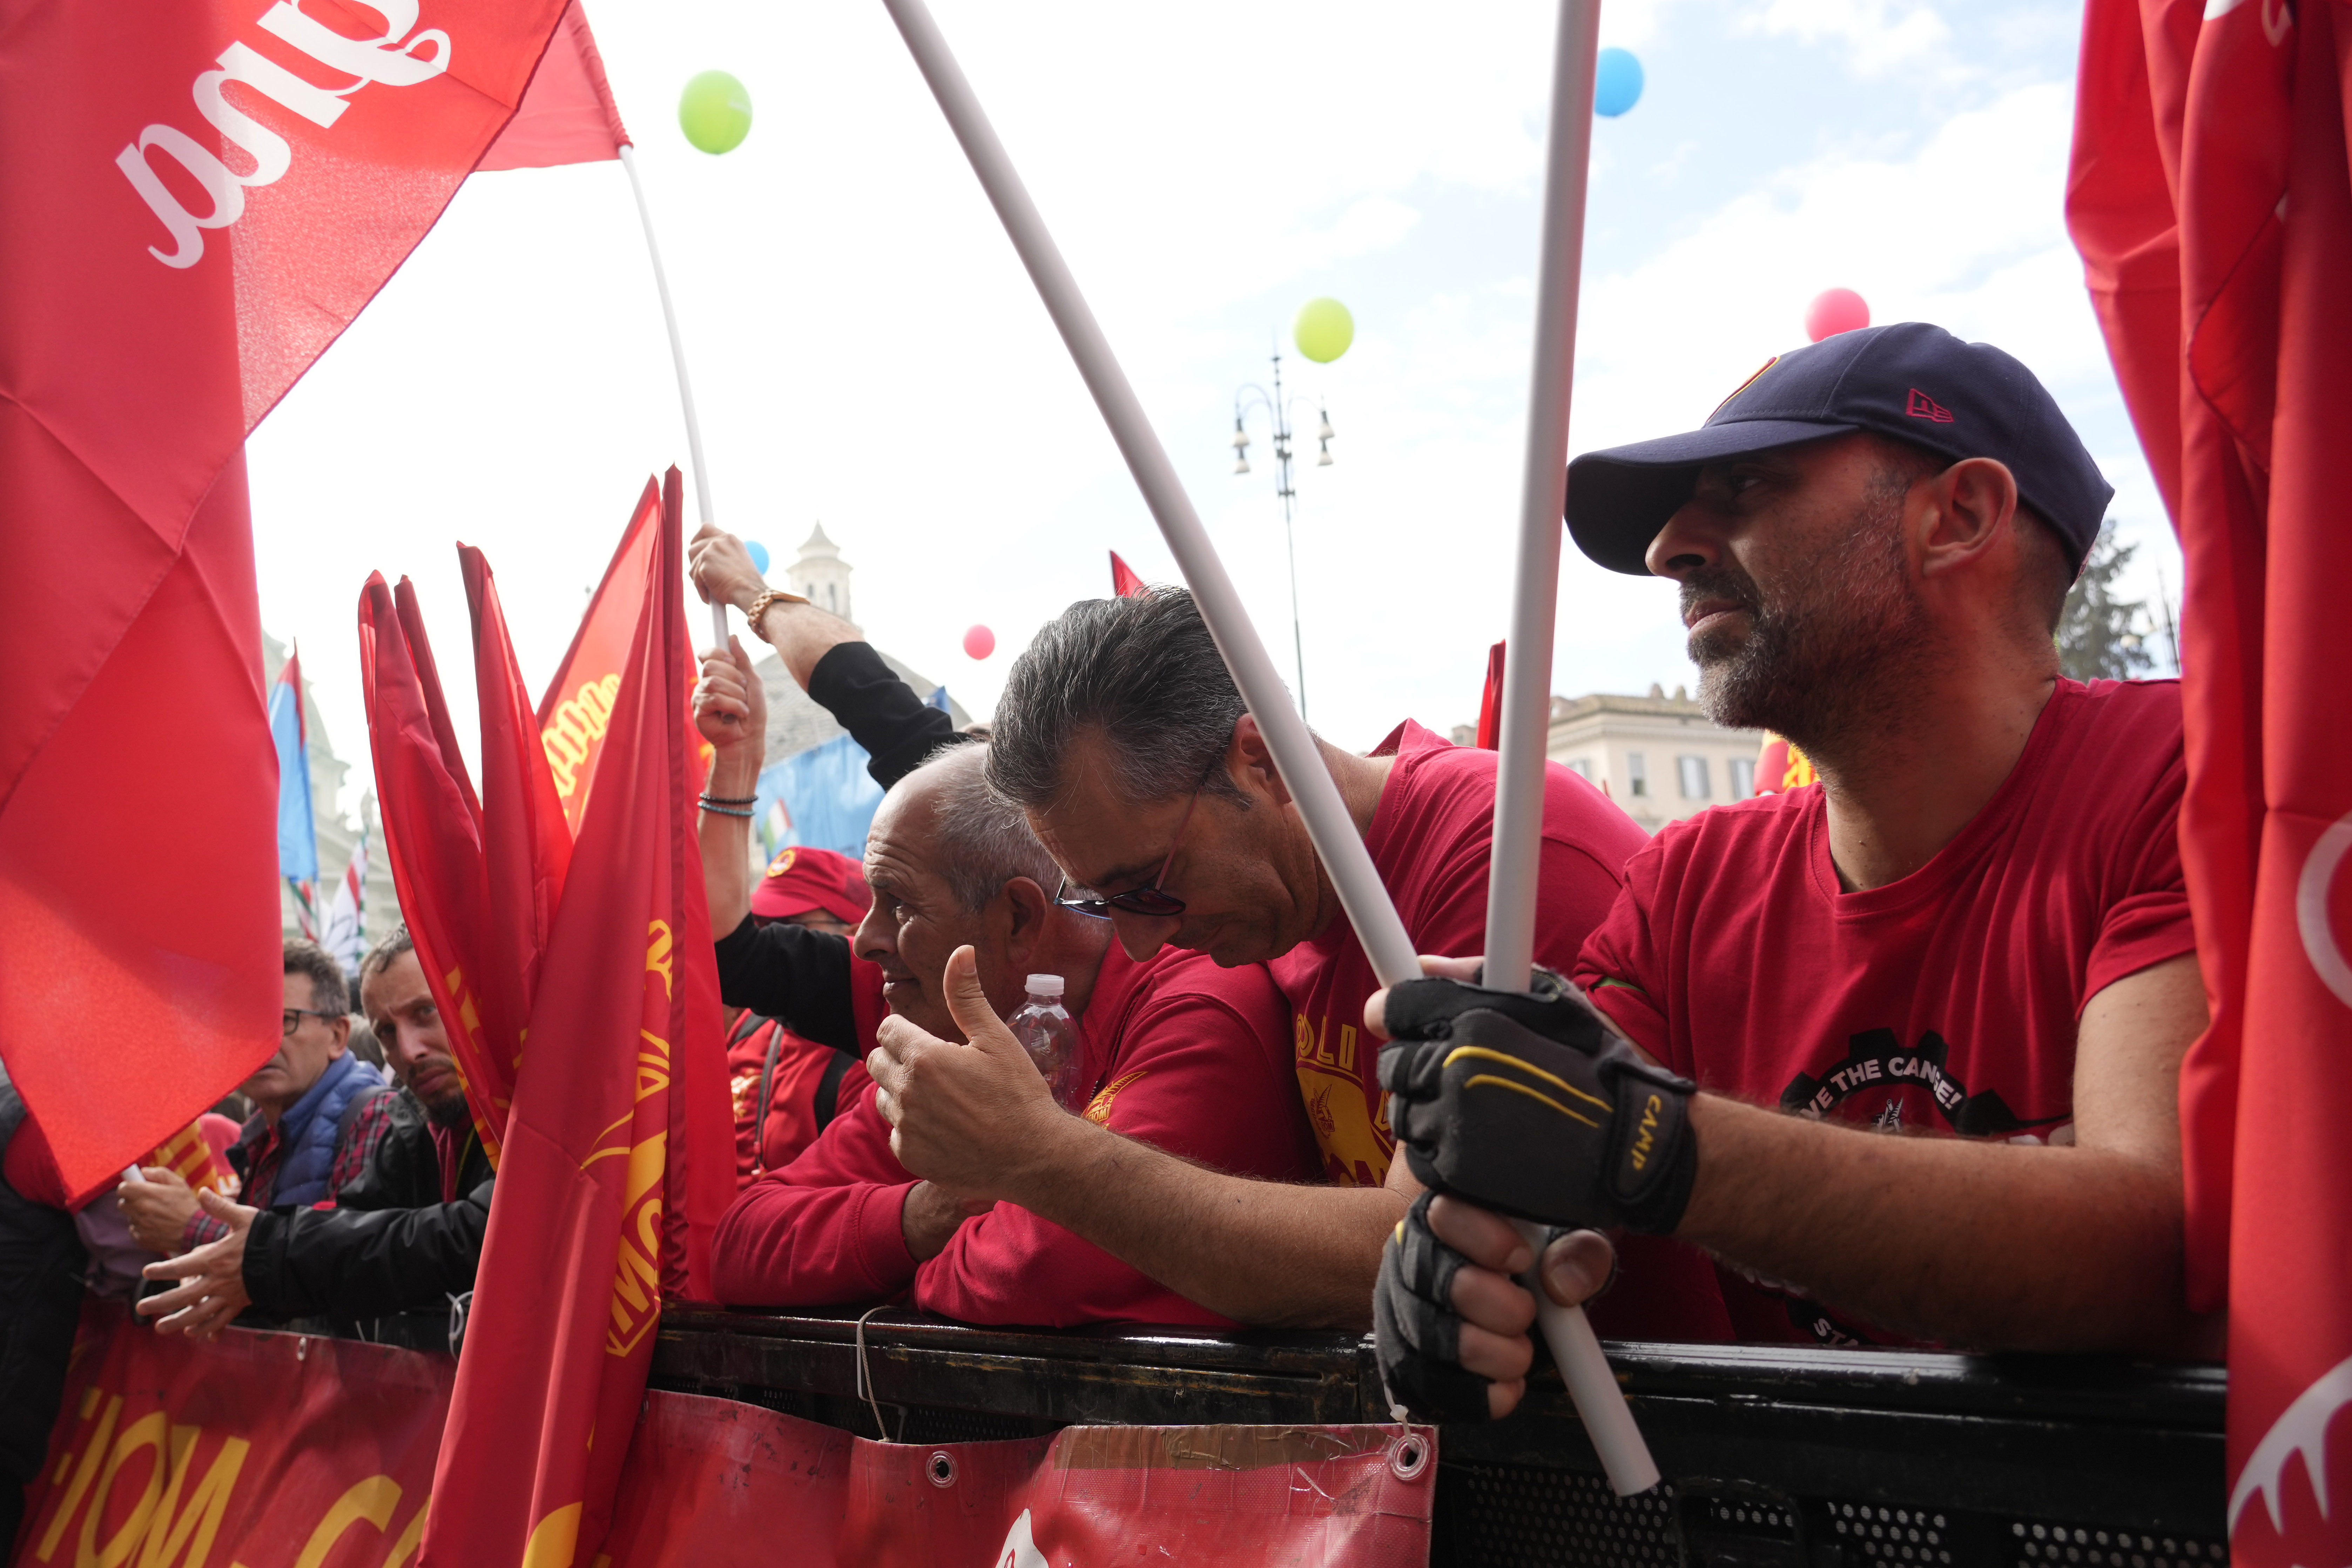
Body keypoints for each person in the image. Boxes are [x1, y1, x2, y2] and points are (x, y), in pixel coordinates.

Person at [1367, 322, 2217, 1421]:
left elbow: (2157, 1243)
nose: (1671, 544)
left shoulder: (2191, 776)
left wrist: (1648, 1141)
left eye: (1748, 484)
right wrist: (1468, 1283)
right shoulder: (1686, 889)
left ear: (1957, 518)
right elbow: (1555, 1209)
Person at [861, 587, 1651, 1331]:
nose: (1140, 942)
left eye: (1147, 886)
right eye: (1100, 902)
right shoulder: (1280, 916)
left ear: (1260, 758)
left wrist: (1037, 1157)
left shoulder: (1505, 861)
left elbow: (1429, 1255)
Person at [685, 533, 1321, 1325]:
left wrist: (914, 1261)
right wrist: (928, 1212)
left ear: (1023, 912)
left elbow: (1033, 1268)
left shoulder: (1202, 999)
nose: (865, 940)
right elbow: (744, 1241)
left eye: (899, 905)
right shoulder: (946, 1018)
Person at [136, 930, 496, 1335]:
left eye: (425, 1012)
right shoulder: (414, 1123)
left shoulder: (382, 1115)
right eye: (387, 1033)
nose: (409, 1050)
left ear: (340, 1035)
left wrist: (198, 1227)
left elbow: (474, 1234)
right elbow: (341, 1249)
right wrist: (174, 1283)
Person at [118, 939, 389, 1255]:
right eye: (246, 1024)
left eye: (286, 1020)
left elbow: (341, 1262)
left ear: (338, 1035)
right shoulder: (263, 1135)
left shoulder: (373, 1116)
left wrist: (192, 1226)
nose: (265, 1042)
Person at [728, 844, 875, 1183]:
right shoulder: (750, 1025)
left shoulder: (872, 1060)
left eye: (789, 924)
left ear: (853, 935)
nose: (769, 939)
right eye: (759, 924)